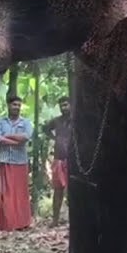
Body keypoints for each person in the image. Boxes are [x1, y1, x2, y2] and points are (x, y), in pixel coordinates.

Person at [0, 95, 33, 231]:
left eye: (19, 105)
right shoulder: (1, 122)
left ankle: (21, 223)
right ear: (8, 106)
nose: (17, 107)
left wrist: (6, 136)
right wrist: (14, 141)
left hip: (20, 162)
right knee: (5, 193)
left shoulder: (25, 122)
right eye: (14, 105)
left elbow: (26, 137)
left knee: (20, 194)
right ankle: (6, 223)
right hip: (5, 161)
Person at [41, 96, 71, 226]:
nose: (64, 108)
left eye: (66, 105)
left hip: (73, 160)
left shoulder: (76, 120)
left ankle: (73, 220)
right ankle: (55, 220)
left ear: (71, 105)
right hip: (59, 159)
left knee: (73, 191)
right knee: (58, 190)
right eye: (62, 105)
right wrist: (55, 138)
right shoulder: (57, 121)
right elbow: (45, 128)